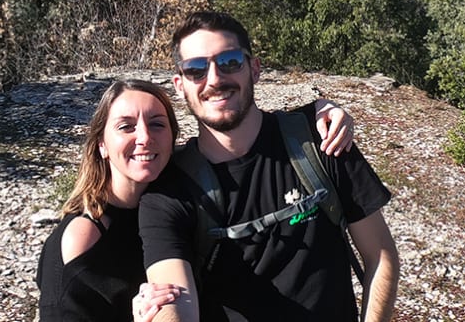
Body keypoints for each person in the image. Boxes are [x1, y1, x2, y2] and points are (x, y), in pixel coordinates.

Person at [139, 11, 400, 322]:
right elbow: (174, 299)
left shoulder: (321, 141)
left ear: (255, 68)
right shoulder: (169, 191)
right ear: (180, 85)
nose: (214, 79)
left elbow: (381, 255)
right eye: (196, 69)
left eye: (230, 61)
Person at [36, 77, 357, 322]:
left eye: (157, 124)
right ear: (102, 145)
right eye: (126, 126)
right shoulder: (83, 238)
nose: (145, 137)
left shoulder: (174, 197)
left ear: (172, 138)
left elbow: (244, 135)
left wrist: (320, 110)